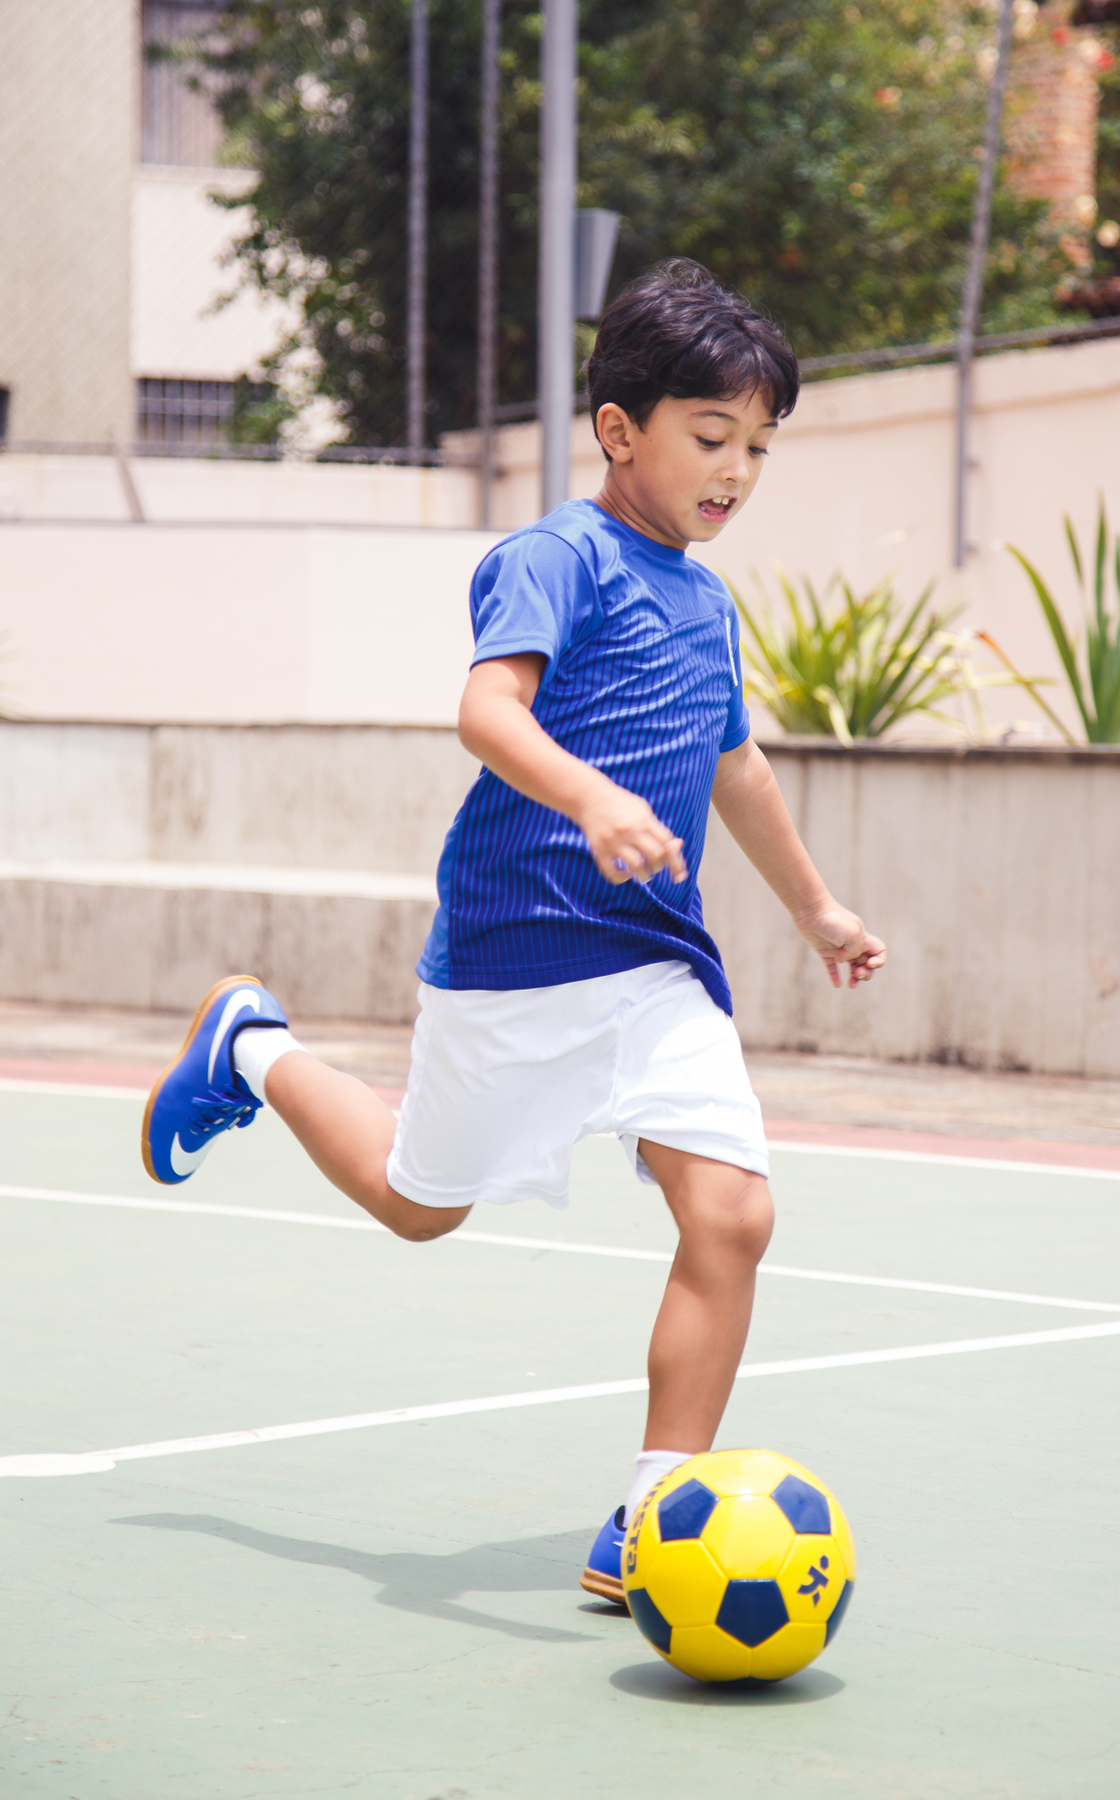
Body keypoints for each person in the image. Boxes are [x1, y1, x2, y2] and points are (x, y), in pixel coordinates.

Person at [141, 258, 886, 1604]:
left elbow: (737, 766)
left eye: (759, 447)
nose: (737, 471)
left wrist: (816, 905)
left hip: (657, 963)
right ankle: (251, 1047)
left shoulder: (708, 604)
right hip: (515, 952)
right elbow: (488, 712)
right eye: (711, 436)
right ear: (620, 431)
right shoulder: (557, 558)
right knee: (418, 1205)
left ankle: (655, 1516)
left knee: (733, 1215)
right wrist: (592, 797)